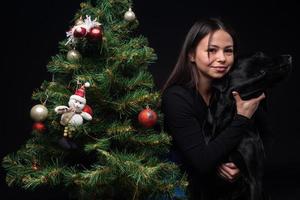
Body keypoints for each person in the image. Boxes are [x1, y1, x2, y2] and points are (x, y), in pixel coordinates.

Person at [161, 18, 272, 200]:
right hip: (178, 179)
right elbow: (202, 162)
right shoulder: (176, 97)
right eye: (212, 50)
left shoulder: (231, 91)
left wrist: (239, 163)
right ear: (191, 55)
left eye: (228, 51)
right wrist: (242, 117)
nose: (222, 58)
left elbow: (263, 138)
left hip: (212, 181)